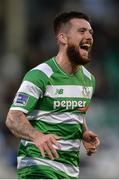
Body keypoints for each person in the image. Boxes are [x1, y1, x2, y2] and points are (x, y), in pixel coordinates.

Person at [6, 11, 100, 179]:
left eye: (90, 32)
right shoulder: (40, 75)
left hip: (69, 170)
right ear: (63, 38)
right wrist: (37, 136)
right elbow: (13, 117)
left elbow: (76, 112)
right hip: (37, 167)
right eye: (82, 31)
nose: (89, 36)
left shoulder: (88, 79)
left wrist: (84, 132)